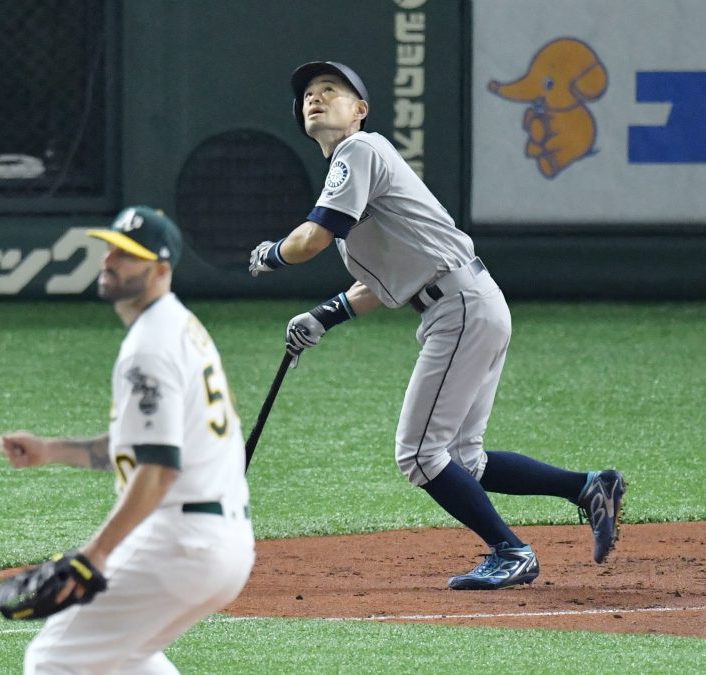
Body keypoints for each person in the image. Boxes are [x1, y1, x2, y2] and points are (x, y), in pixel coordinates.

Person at [249, 61, 625, 590]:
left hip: (462, 307)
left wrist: (272, 254)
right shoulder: (359, 171)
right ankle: (588, 488)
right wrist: (322, 317)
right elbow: (389, 282)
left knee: (419, 454)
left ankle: (511, 551)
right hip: (469, 301)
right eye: (308, 93)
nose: (315, 97)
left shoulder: (358, 151)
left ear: (359, 110)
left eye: (330, 90)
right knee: (464, 459)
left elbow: (309, 240)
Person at [0, 206, 255, 673]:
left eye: (127, 255)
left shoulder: (150, 346)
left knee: (53, 659)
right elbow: (142, 447)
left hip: (180, 541)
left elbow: (158, 470)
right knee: (126, 659)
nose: (110, 261)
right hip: (222, 543)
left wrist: (93, 555)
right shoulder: (178, 328)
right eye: (111, 248)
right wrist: (51, 450)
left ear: (160, 270)